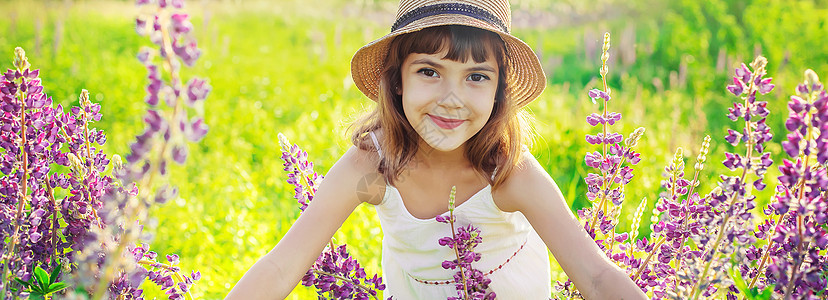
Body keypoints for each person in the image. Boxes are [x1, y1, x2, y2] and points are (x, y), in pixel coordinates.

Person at [227, 0, 646, 298]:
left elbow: (595, 277)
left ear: (499, 92)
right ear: (397, 81)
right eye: (430, 71)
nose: (452, 98)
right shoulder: (374, 166)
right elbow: (283, 266)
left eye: (476, 77)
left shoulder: (507, 175)